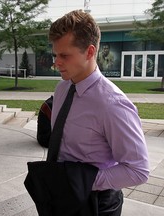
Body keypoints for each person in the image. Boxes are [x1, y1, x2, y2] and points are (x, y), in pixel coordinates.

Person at [48, 10, 149, 215]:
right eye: (55, 55)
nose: (56, 63)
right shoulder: (62, 89)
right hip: (60, 194)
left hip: (95, 203)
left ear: (90, 51)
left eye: (64, 55)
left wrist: (82, 182)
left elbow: (138, 170)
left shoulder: (113, 104)